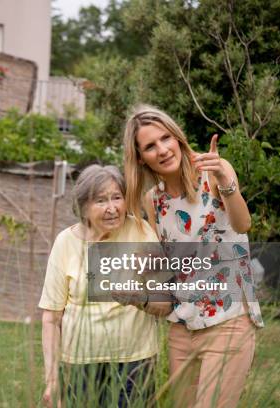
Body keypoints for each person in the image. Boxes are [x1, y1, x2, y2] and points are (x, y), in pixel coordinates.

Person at [123, 104, 264, 408]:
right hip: (182, 329)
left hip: (229, 322)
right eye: (150, 146)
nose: (162, 150)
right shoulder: (152, 200)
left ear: (177, 138)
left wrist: (226, 181)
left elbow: (243, 224)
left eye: (165, 138)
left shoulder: (213, 172)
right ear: (140, 157)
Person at [39, 164, 168, 408]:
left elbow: (166, 304)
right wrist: (52, 379)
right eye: (101, 200)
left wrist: (141, 299)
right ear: (83, 206)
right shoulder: (66, 242)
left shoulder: (141, 231)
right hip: (79, 363)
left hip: (135, 363)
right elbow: (51, 318)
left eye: (117, 197)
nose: (112, 208)